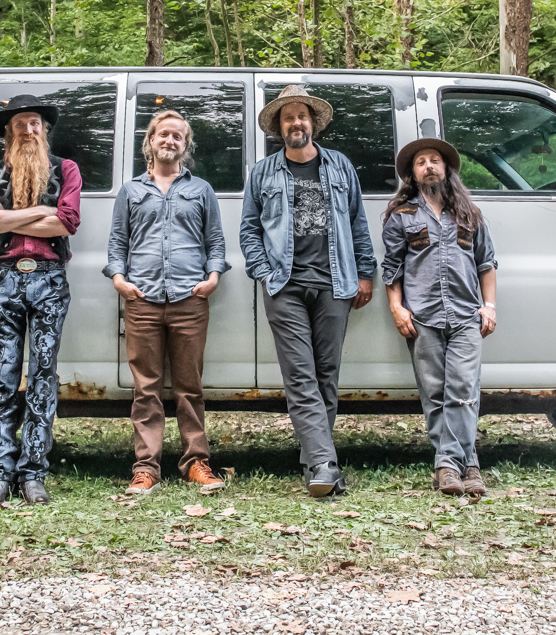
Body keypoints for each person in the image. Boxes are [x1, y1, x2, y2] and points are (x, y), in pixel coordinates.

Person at [239, 85, 376, 497]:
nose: (296, 123)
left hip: (336, 283)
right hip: (285, 285)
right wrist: (265, 272)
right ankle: (324, 464)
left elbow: (358, 222)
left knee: (326, 375)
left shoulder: (340, 166)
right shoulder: (263, 172)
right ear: (279, 127)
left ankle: (315, 460)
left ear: (313, 123)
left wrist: (365, 272)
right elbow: (249, 230)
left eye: (302, 116)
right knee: (300, 375)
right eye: (288, 117)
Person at [105, 110, 229, 495]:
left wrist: (213, 277)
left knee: (190, 387)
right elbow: (117, 242)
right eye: (163, 134)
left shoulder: (201, 190)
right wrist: (119, 280)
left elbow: (215, 241)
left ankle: (197, 463)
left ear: (185, 145)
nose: (170, 141)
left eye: (178, 136)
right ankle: (146, 469)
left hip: (189, 299)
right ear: (151, 140)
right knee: (146, 388)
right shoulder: (131, 191)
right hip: (141, 300)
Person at [0, 94, 81, 506]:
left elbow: (67, 222)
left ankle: (33, 473)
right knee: (2, 378)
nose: (29, 130)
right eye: (20, 124)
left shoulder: (66, 169)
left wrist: (8, 216)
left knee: (43, 376)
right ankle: (0, 474)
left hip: (50, 279)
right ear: (9, 132)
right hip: (5, 278)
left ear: (44, 129)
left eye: (35, 123)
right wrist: (40, 214)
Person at [381, 138, 497, 498]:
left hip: (466, 315)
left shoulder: (470, 214)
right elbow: (391, 268)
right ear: (412, 175)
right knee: (434, 393)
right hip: (422, 317)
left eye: (435, 160)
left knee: (463, 390)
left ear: (446, 169)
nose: (429, 166)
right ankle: (469, 466)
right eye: (421, 162)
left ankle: (448, 465)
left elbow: (486, 263)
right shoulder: (401, 216)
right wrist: (396, 307)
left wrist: (489, 306)